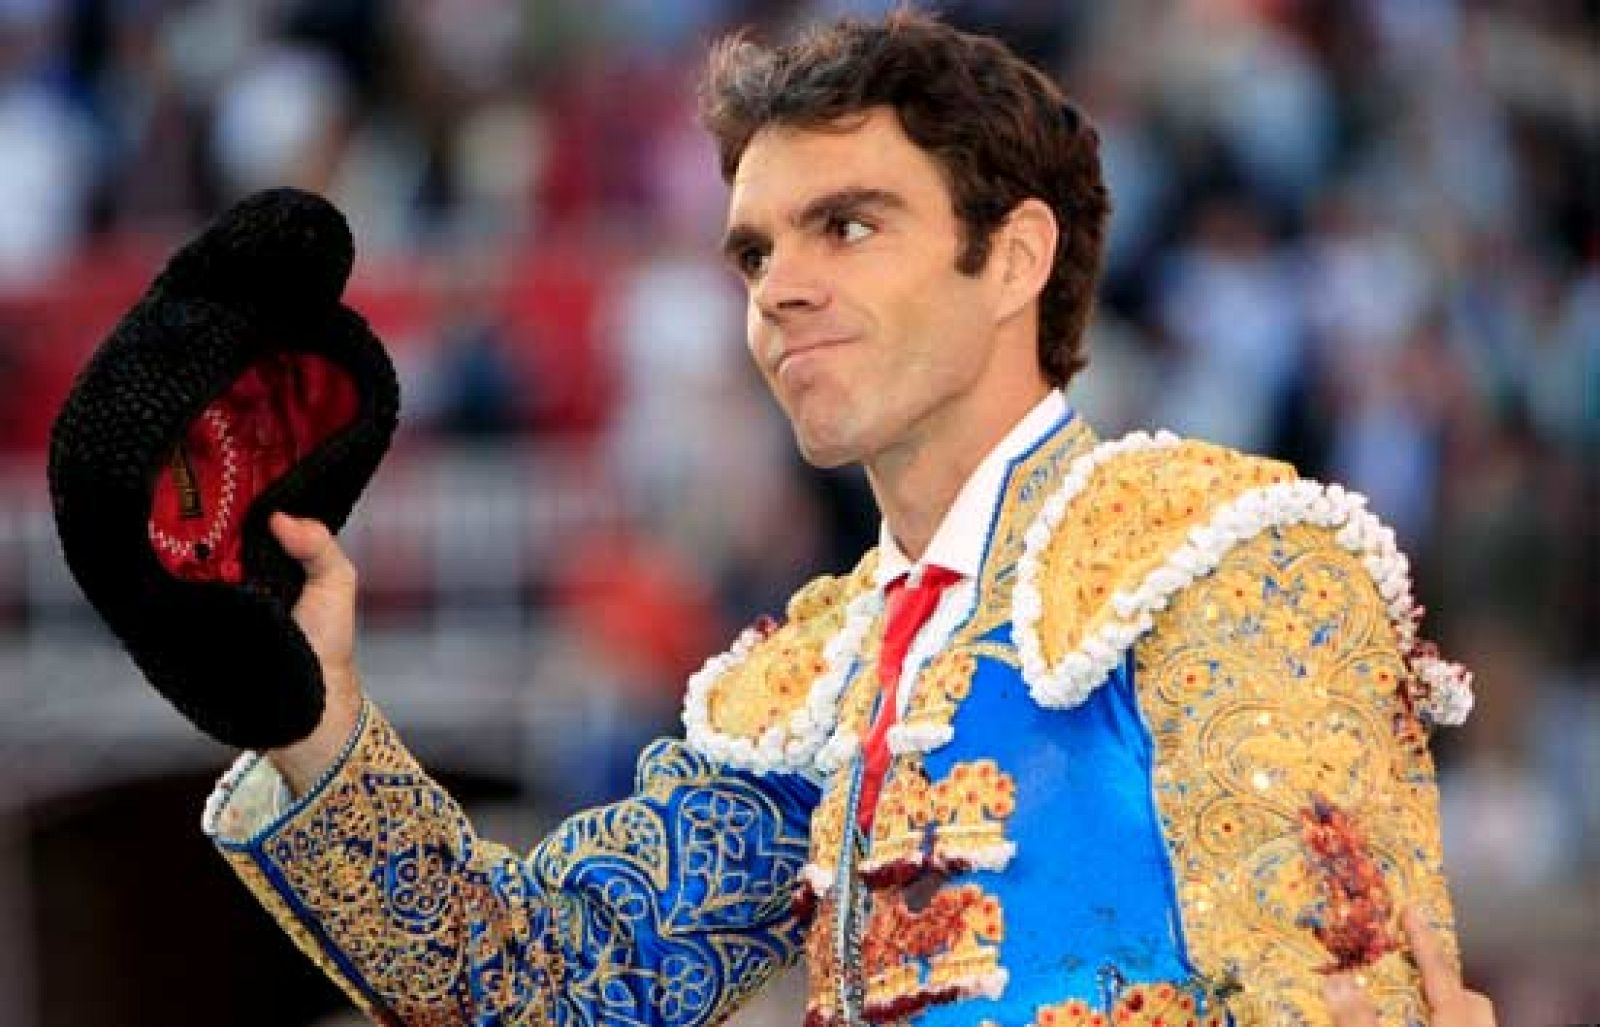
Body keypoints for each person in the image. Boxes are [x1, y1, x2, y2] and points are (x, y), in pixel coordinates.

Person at [202, 11, 1494, 1025]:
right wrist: (317, 724)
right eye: (756, 253)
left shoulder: (1226, 564)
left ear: (1016, 257)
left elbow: (1341, 998)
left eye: (849, 226)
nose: (779, 290)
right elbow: (546, 986)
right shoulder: (822, 682)